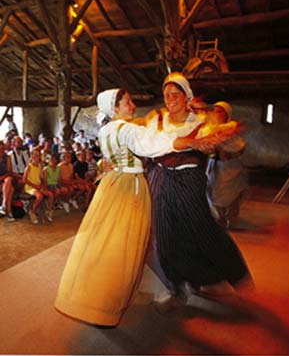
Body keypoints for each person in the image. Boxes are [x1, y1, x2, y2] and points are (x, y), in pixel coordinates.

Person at [55, 88, 219, 327]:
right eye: (127, 102)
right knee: (126, 247)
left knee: (105, 243)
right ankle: (106, 304)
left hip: (111, 185)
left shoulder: (106, 130)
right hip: (130, 186)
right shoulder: (128, 129)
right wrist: (193, 141)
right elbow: (154, 144)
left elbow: (110, 161)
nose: (132, 105)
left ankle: (93, 297)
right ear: (116, 108)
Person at [144, 72, 252, 311]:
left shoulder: (202, 121)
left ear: (186, 97)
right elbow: (145, 144)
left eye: (175, 94)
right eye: (166, 95)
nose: (170, 99)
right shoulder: (157, 119)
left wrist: (222, 132)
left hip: (190, 179)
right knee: (165, 235)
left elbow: (232, 144)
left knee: (200, 228)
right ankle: (176, 286)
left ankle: (230, 275)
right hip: (160, 177)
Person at [206, 101, 248, 228]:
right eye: (214, 110)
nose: (216, 114)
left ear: (226, 114)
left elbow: (239, 147)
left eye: (220, 111)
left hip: (230, 168)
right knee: (213, 193)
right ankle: (219, 219)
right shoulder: (209, 129)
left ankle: (231, 220)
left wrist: (228, 152)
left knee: (232, 194)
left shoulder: (231, 129)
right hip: (215, 167)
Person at [23, 148, 55, 224]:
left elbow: (40, 177)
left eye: (39, 155)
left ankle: (49, 210)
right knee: (39, 196)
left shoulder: (40, 166)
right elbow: (24, 180)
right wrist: (35, 186)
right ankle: (32, 212)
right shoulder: (29, 167)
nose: (38, 157)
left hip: (38, 186)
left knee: (50, 194)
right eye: (36, 155)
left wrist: (43, 185)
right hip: (30, 187)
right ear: (32, 156)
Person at [0, 141, 15, 222]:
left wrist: (4, 177)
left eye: (2, 148)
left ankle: (4, 205)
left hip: (5, 181)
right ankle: (8, 211)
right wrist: (4, 177)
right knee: (11, 189)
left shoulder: (7, 157)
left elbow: (10, 172)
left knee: (9, 180)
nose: (1, 151)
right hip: (2, 182)